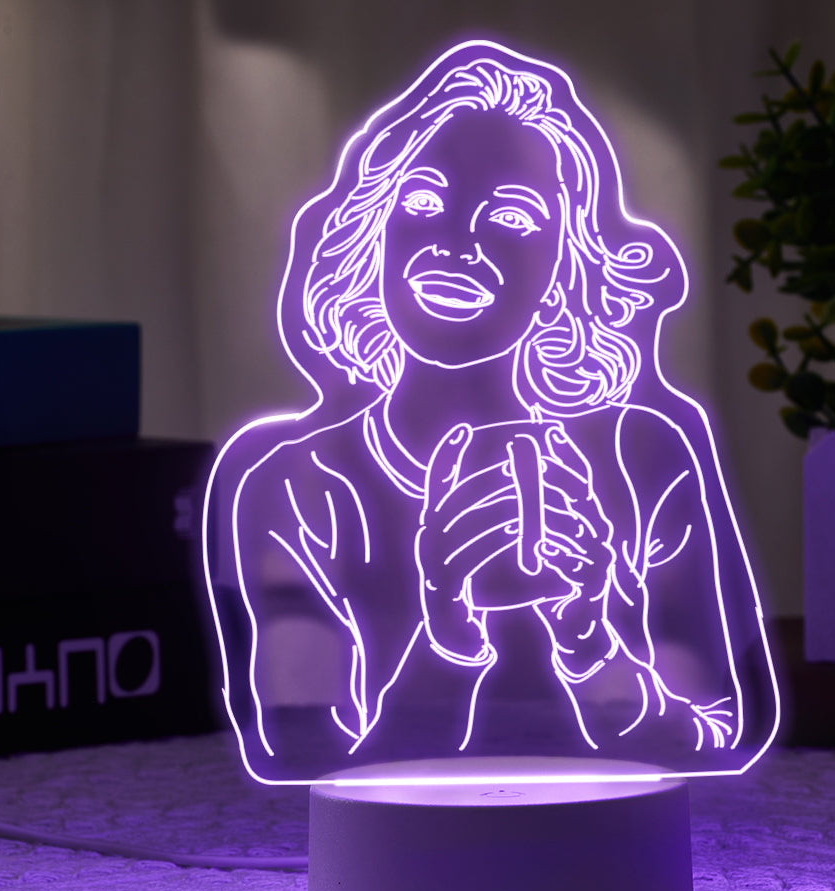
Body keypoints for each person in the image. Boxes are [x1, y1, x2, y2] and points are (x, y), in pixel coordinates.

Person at [204, 41, 778, 781]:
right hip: (393, 848)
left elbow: (726, 731)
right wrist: (446, 639)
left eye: (510, 216)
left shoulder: (647, 456)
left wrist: (591, 647)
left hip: (605, 839)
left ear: (565, 265)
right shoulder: (287, 480)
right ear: (372, 230)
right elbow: (293, 752)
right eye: (422, 203)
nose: (455, 243)